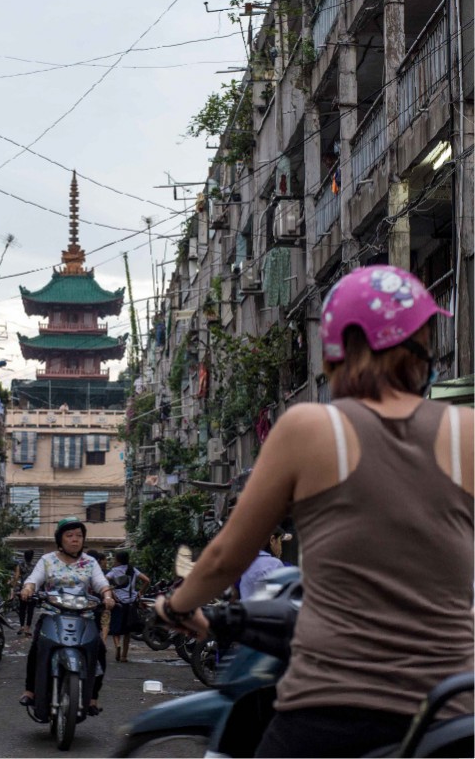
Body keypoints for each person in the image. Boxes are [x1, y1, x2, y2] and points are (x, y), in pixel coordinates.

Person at [154, 265, 473, 758]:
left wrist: (176, 608)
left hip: (331, 710)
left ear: (337, 347)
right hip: (452, 715)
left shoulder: (309, 428)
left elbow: (223, 559)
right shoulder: (466, 432)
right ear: (421, 349)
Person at [18, 517, 115, 716]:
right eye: (69, 535)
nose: (75, 540)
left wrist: (107, 595)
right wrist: (28, 588)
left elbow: (101, 582)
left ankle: (93, 697)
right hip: (52, 614)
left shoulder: (90, 562)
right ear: (60, 539)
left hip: (85, 616)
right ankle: (30, 690)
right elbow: (33, 579)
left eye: (79, 536)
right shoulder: (47, 561)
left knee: (100, 650)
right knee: (37, 646)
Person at [106, 550, 149, 662]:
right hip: (131, 603)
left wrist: (112, 592)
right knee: (127, 631)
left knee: (116, 630)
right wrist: (140, 593)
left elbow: (105, 581)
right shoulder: (133, 570)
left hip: (119, 603)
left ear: (117, 560)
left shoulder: (114, 571)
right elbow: (147, 580)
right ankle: (124, 656)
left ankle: (117, 646)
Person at [238, 526, 291, 600]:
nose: (280, 547)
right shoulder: (275, 564)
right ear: (272, 540)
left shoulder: (246, 563)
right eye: (280, 542)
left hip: (246, 609)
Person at [10, 548, 36, 636]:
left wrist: (13, 587)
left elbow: (16, 577)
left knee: (22, 609)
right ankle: (27, 629)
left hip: (23, 590)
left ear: (24, 556)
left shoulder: (20, 565)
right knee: (30, 610)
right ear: (32, 557)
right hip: (32, 590)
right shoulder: (35, 565)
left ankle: (21, 627)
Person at [86, 549, 111, 642]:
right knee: (105, 623)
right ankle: (102, 643)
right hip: (102, 602)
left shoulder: (83, 570)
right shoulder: (106, 572)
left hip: (88, 604)